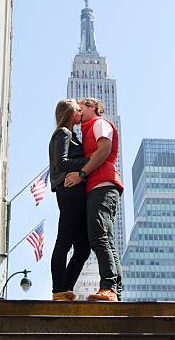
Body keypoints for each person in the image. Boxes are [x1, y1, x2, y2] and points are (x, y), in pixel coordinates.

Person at [64, 97, 124, 302]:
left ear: (91, 107)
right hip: (97, 187)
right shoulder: (87, 130)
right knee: (103, 237)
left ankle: (108, 287)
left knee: (99, 236)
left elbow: (104, 149)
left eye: (80, 109)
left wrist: (80, 174)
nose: (78, 114)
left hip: (103, 185)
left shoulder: (100, 123)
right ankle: (114, 290)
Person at [48, 99, 91, 301]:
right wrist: (89, 160)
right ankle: (58, 290)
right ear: (70, 112)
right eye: (77, 109)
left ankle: (65, 289)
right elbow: (61, 162)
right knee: (63, 242)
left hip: (75, 192)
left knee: (83, 248)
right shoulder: (63, 133)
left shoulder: (71, 134)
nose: (80, 112)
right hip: (69, 191)